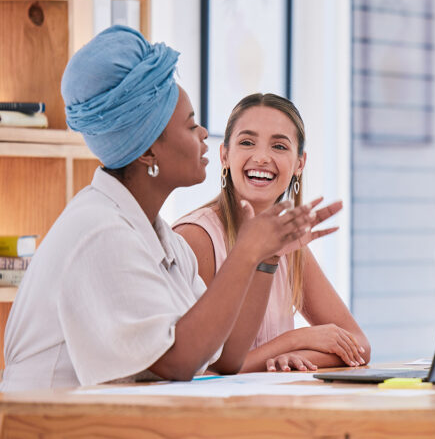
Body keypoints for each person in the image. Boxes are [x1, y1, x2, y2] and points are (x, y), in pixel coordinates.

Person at [0, 26, 341, 391]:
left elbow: (226, 356)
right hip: (46, 425)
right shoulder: (99, 231)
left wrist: (266, 258)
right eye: (191, 124)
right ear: (148, 150)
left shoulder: (160, 238)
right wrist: (246, 251)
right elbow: (178, 362)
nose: (203, 134)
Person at [174, 93, 370, 372]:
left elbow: (360, 346)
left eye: (279, 146)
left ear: (299, 164)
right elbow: (204, 368)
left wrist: (291, 358)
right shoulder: (196, 238)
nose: (262, 157)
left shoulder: (289, 244)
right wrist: (292, 341)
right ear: (225, 155)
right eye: (247, 142)